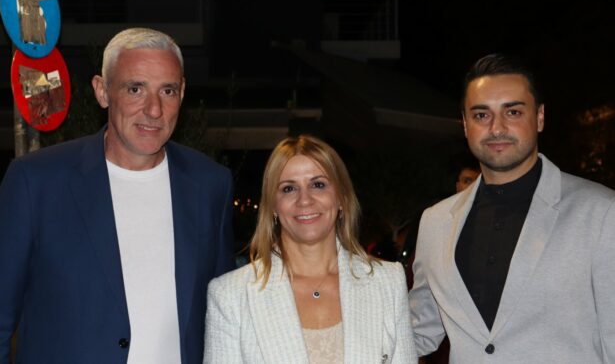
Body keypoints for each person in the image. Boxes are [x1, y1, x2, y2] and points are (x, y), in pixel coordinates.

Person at [0, 28, 235, 364]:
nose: (154, 110)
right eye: (135, 89)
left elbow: (223, 318)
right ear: (102, 91)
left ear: (182, 93)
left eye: (167, 91)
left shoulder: (211, 184)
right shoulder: (36, 182)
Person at [409, 53, 615, 363]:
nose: (497, 128)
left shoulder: (602, 213)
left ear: (540, 117)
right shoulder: (435, 222)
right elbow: (418, 330)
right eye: (481, 115)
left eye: (513, 112)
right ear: (465, 124)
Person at [205, 135, 417, 363]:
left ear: (342, 197)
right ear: (273, 205)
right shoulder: (230, 295)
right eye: (288, 188)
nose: (304, 200)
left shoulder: (388, 283)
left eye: (318, 185)